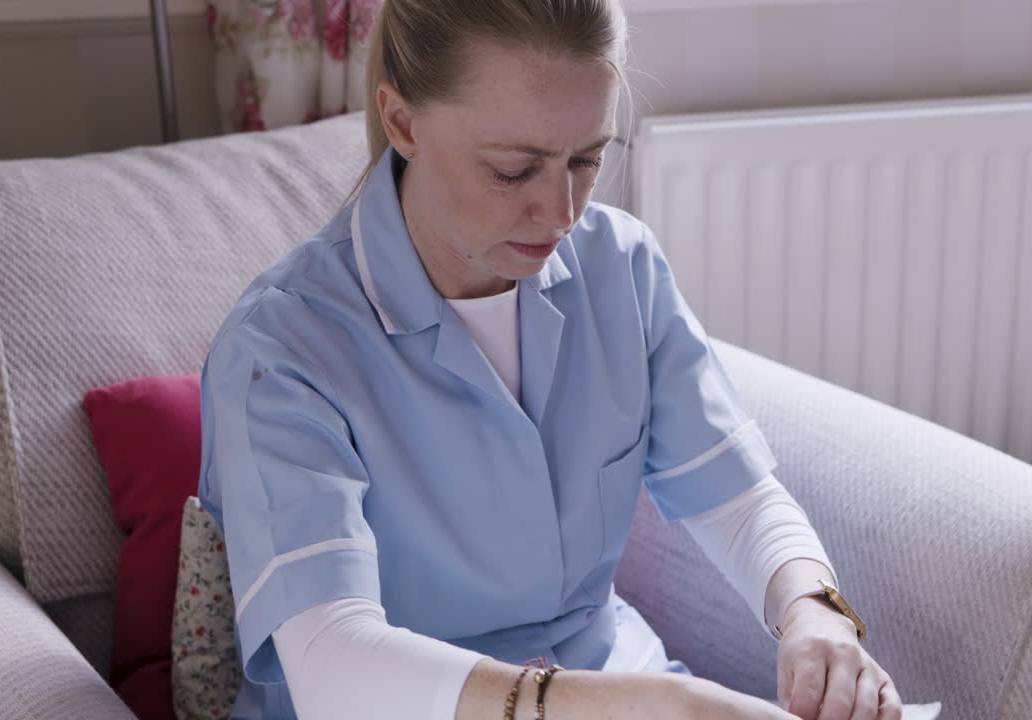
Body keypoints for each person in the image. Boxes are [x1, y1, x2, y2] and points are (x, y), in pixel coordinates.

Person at [198, 0, 904, 718]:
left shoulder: (620, 267)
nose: (563, 211)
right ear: (403, 122)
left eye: (587, 159)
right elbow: (330, 661)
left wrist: (812, 609)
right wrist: (658, 704)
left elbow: (735, 495)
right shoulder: (282, 349)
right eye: (515, 170)